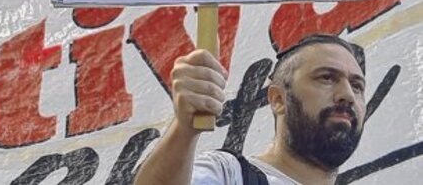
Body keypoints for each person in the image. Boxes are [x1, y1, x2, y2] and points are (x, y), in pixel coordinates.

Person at [134, 35, 367, 184]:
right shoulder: (227, 175)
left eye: (357, 86)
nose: (347, 94)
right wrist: (184, 129)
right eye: (326, 78)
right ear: (277, 99)